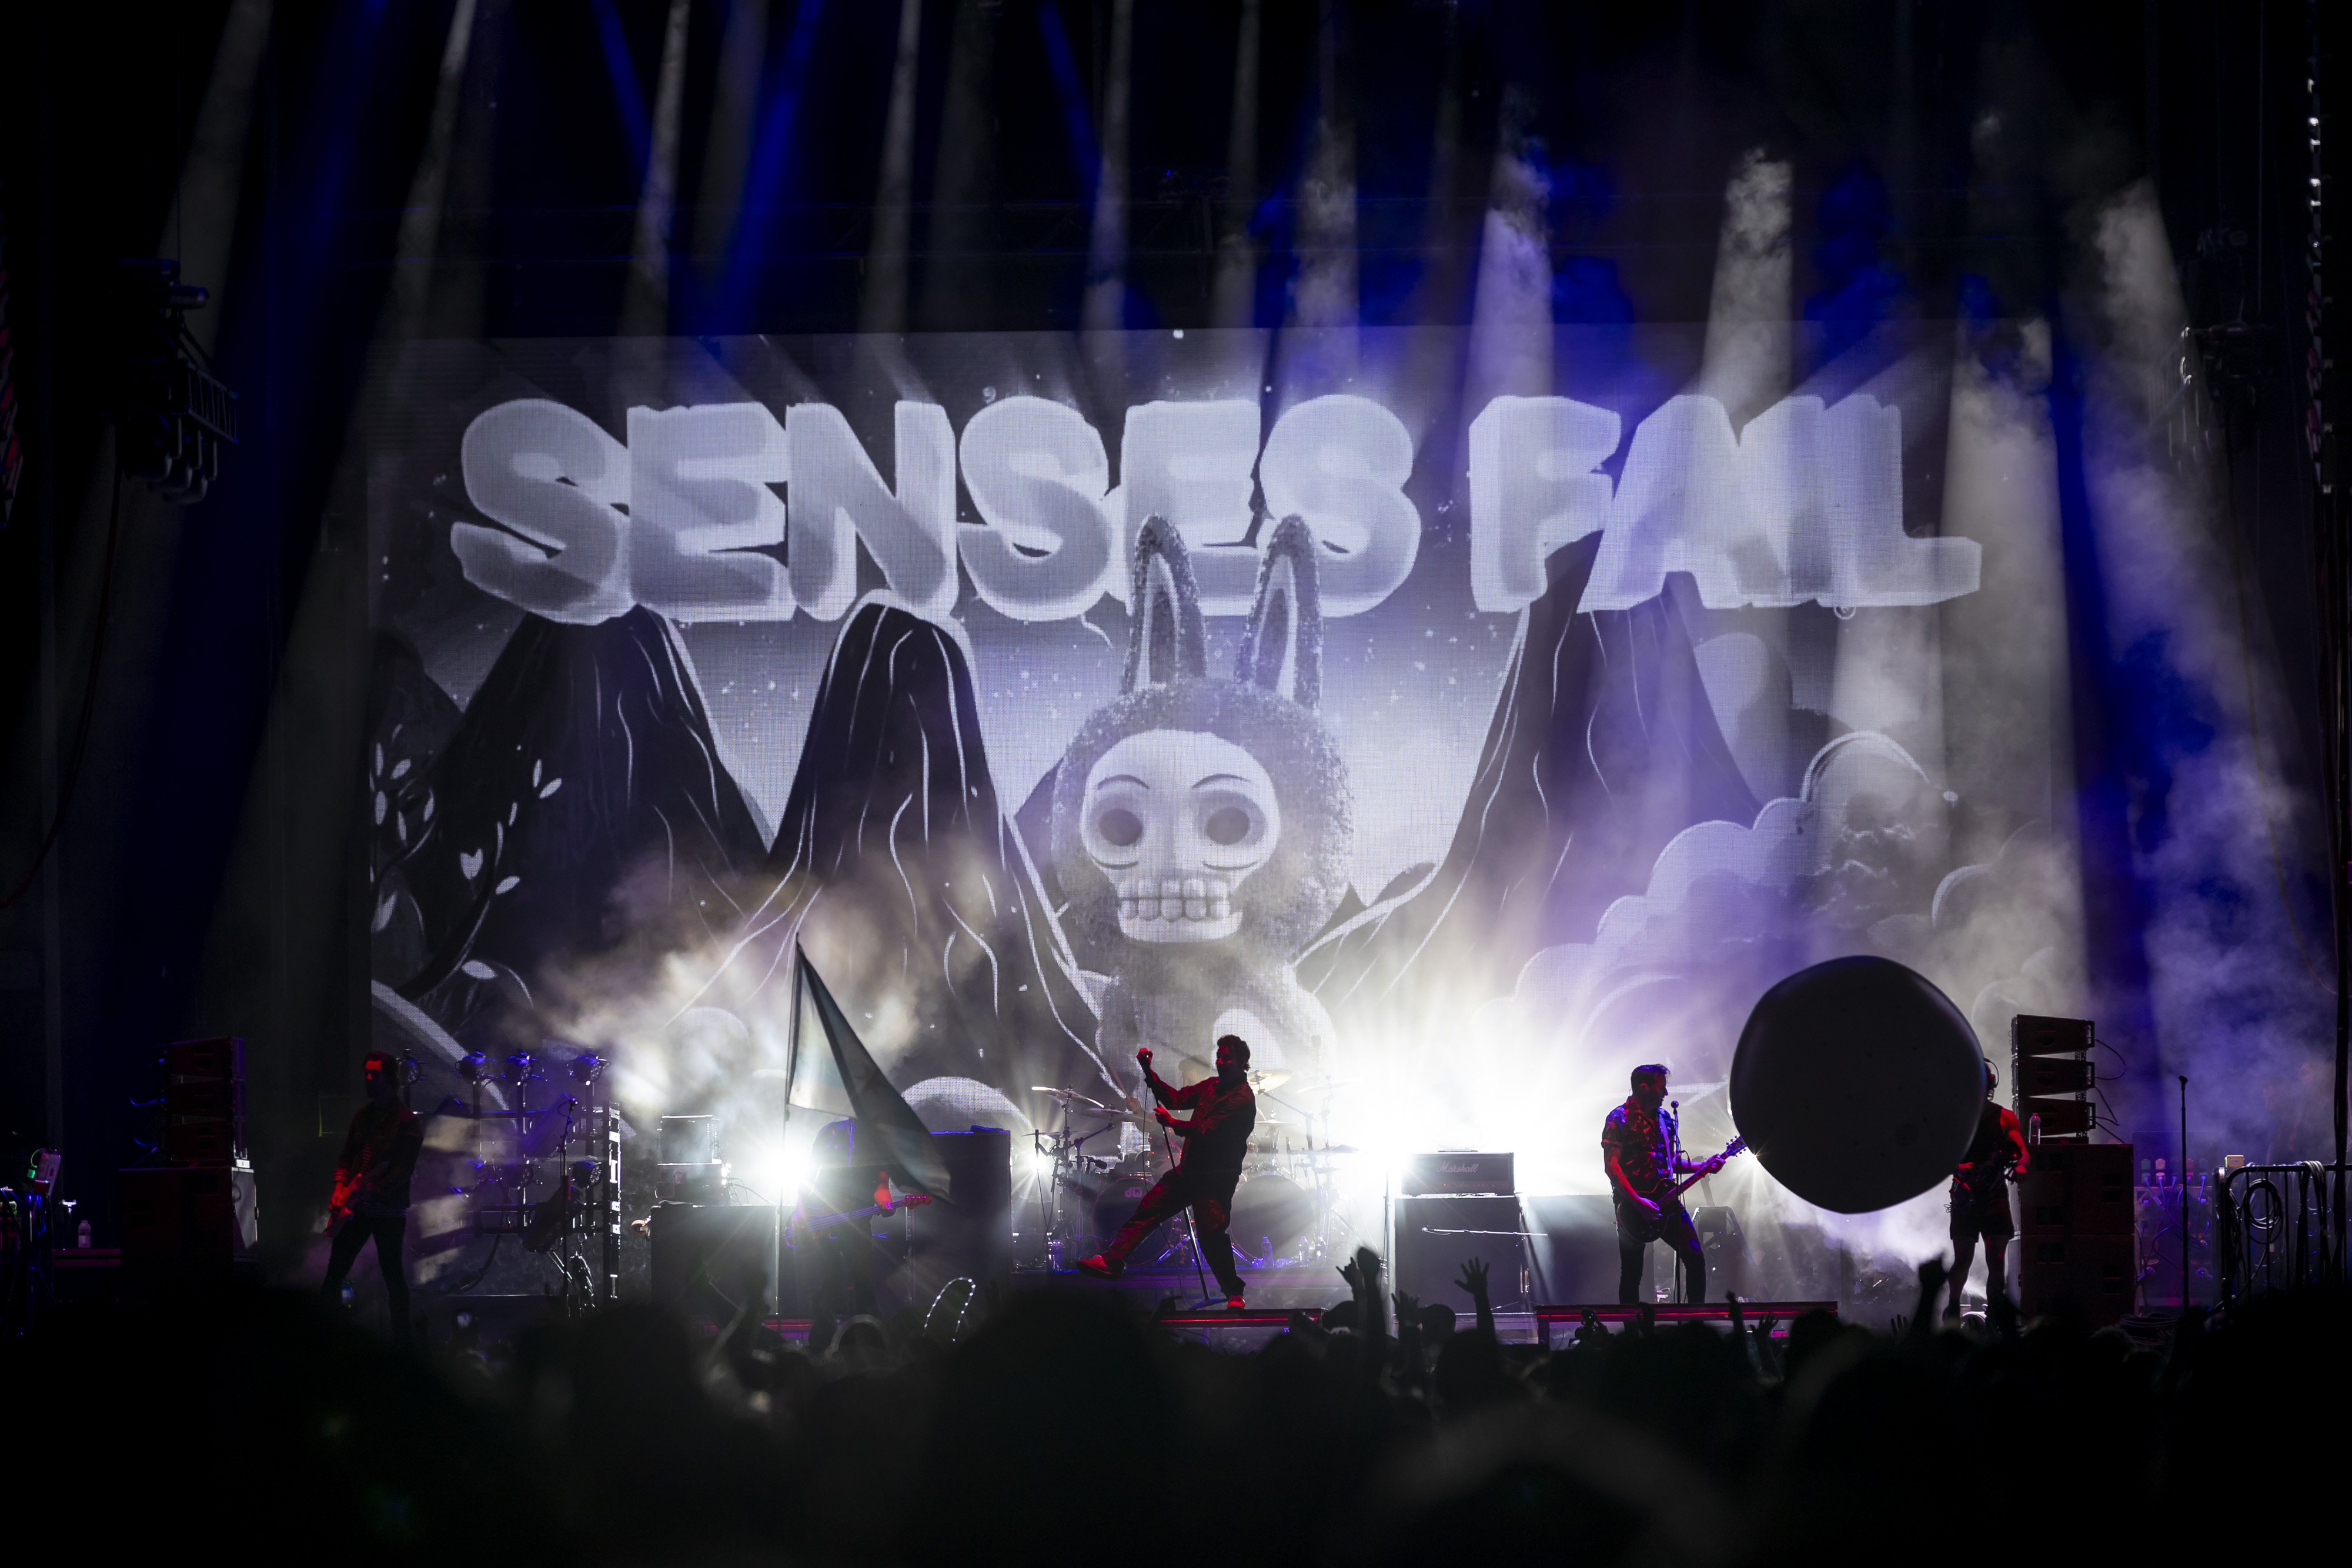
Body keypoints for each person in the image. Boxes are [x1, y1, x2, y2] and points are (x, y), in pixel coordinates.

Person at [1078, 1034, 1257, 1309]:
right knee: (1150, 1207)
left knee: (1211, 1236)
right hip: (1191, 1171)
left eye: (1227, 1058)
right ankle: (1112, 1261)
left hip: (1216, 1179)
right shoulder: (1211, 1086)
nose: (1221, 1062)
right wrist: (1149, 1072)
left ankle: (1234, 1293)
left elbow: (1211, 1132)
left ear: (1242, 1062)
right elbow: (1175, 1098)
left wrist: (1173, 1123)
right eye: (1219, 1057)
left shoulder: (1243, 1099)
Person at [322, 1051, 425, 1345]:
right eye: (366, 1073)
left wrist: (370, 1189)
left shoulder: (408, 1123)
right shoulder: (362, 1117)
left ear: (390, 1078)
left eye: (374, 1075)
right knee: (335, 1270)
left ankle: (403, 1345)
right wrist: (340, 1189)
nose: (368, 1079)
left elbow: (402, 1172)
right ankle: (322, 1337)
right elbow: (345, 1157)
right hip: (356, 1206)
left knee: (393, 1276)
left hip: (389, 1211)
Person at [1602, 1063, 1708, 1305]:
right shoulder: (1619, 1118)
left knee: (1695, 1257)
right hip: (1632, 1206)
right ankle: (1632, 1336)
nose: (1666, 1093)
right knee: (1632, 1272)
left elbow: (1672, 1163)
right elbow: (1612, 1167)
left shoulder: (1665, 1119)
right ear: (1643, 1087)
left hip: (1667, 1201)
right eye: (1662, 1087)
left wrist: (1704, 1166)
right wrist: (1639, 1204)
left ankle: (1696, 1325)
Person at [1945, 1060, 2029, 1318]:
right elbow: (1938, 1158)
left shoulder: (2005, 1117)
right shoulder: (1957, 1119)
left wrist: (2022, 1165)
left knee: (1997, 1260)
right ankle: (1953, 1306)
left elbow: (2023, 1152)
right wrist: (1961, 1167)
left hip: (1994, 1197)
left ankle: (1995, 1314)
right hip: (1965, 1195)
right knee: (1963, 1259)